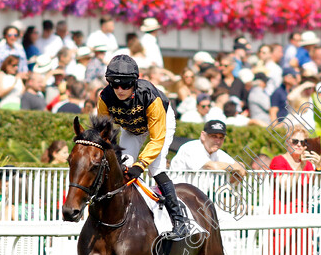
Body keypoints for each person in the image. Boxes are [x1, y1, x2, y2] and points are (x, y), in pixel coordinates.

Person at [97, 54, 190, 240]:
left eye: (125, 85)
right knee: (122, 165)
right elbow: (103, 133)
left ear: (134, 82)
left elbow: (156, 139)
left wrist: (140, 165)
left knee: (155, 168)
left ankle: (180, 221)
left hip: (159, 122)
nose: (119, 90)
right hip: (132, 128)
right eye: (114, 85)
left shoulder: (149, 97)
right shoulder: (105, 97)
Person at [170, 120, 246, 176]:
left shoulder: (217, 152)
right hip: (177, 194)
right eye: (213, 136)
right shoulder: (191, 148)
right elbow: (213, 166)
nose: (218, 141)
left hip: (197, 195)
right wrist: (235, 167)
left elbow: (240, 166)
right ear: (203, 135)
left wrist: (239, 168)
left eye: (221, 137)